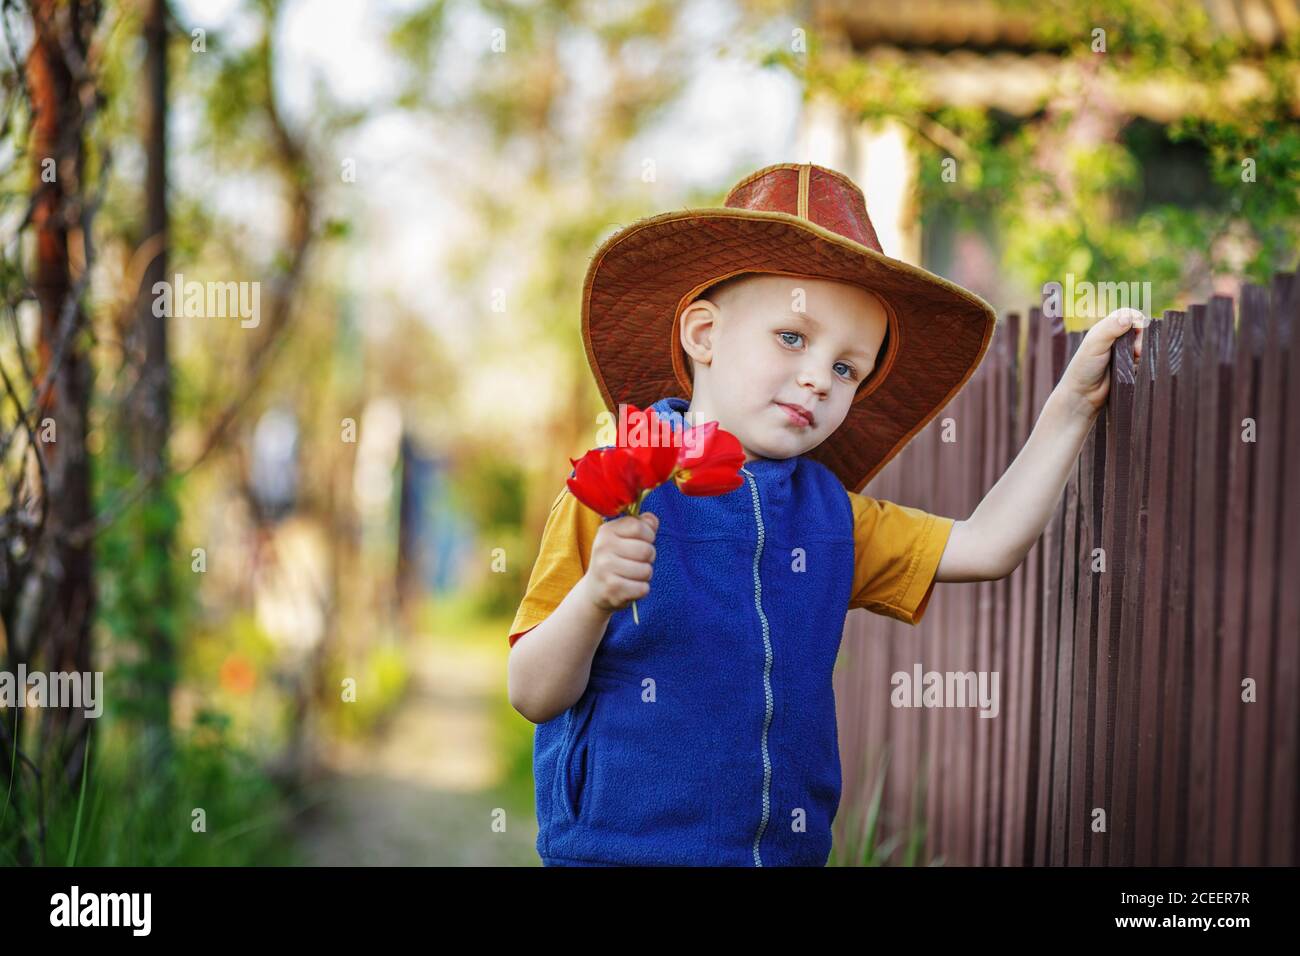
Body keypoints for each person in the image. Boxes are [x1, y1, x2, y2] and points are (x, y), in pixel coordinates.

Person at [505, 162, 1144, 866]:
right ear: (704, 333)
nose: (818, 376)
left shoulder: (830, 520)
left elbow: (988, 546)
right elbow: (533, 692)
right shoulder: (615, 489)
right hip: (617, 854)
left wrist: (1073, 405)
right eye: (792, 337)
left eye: (847, 369)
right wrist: (595, 596)